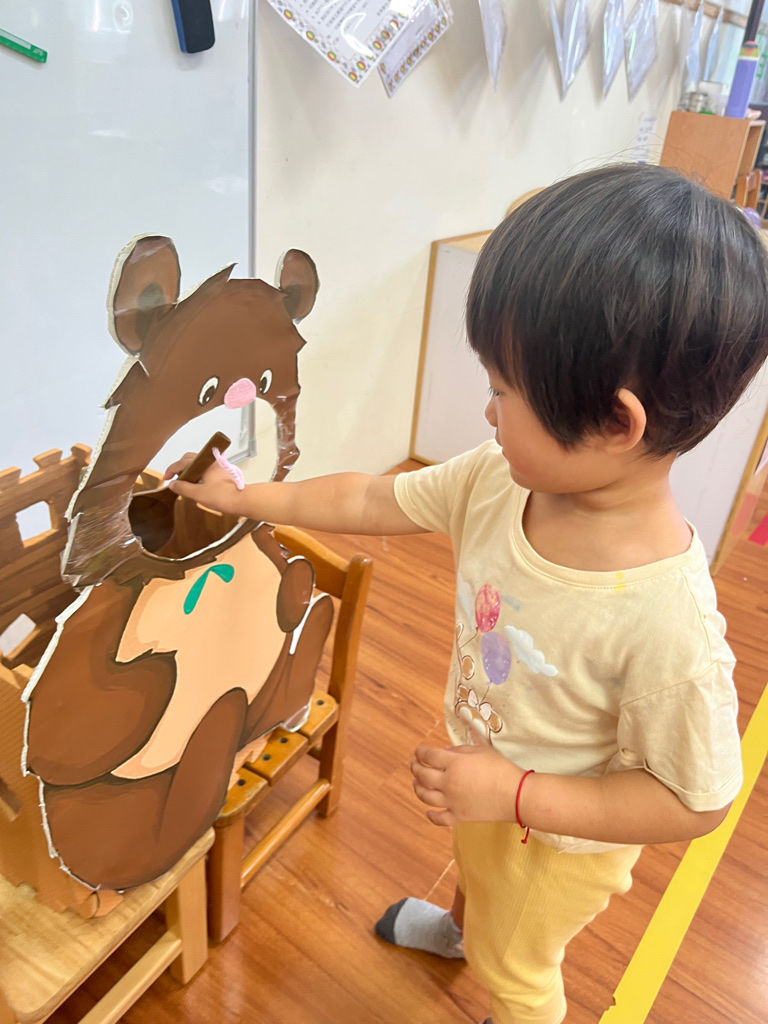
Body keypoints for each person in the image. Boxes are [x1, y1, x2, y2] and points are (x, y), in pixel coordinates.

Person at [166, 164, 768, 1024]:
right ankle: (459, 929)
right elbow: (369, 500)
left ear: (614, 422)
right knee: (478, 880)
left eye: (501, 390)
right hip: (488, 780)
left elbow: (695, 801)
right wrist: (245, 498)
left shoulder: (668, 623)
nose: (487, 413)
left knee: (518, 968)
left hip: (555, 842)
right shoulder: (497, 478)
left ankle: (495, 972)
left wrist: (514, 793)